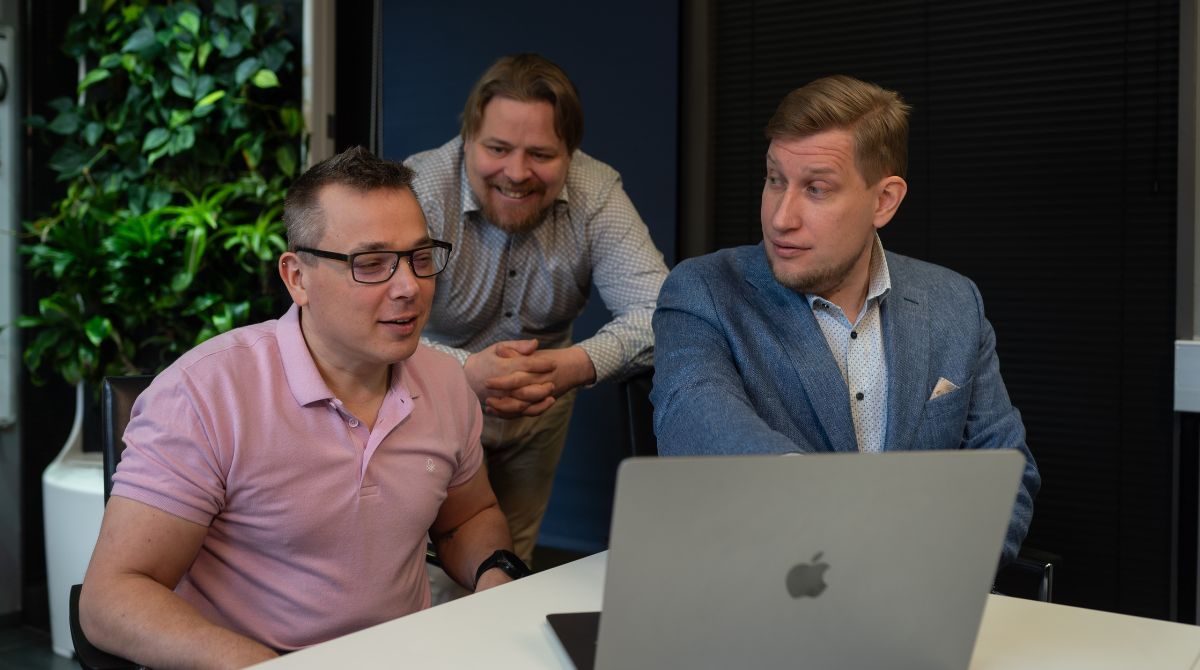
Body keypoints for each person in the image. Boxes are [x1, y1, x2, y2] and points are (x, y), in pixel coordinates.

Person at [78, 147, 526, 667]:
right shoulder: (205, 394)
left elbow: (467, 517)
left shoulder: (447, 383)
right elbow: (112, 596)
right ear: (297, 278)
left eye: (420, 258)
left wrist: (497, 571)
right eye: (372, 263)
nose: (409, 288)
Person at [650, 75, 1039, 563]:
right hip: (755, 595)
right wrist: (847, 533)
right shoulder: (703, 291)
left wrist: (935, 579)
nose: (780, 218)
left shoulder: (954, 302)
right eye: (775, 180)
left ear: (884, 201)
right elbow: (696, 422)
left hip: (915, 609)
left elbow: (1006, 472)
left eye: (816, 189)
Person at [405, 53, 669, 564]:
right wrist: (464, 371)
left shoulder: (596, 191)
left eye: (541, 155)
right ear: (468, 139)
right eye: (498, 149)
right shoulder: (420, 190)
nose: (517, 173)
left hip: (542, 408)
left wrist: (575, 365)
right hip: (433, 401)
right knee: (430, 574)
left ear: (571, 152)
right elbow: (372, 324)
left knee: (509, 560)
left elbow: (663, 312)